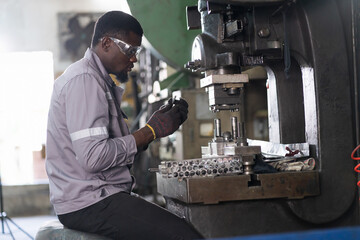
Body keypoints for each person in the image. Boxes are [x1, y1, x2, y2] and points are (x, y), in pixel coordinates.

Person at [46, 10, 203, 240]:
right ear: (107, 43)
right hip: (90, 202)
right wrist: (149, 132)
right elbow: (93, 157)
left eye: (137, 51)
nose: (134, 59)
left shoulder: (96, 80)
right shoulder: (85, 81)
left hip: (96, 197)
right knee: (183, 235)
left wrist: (153, 129)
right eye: (130, 50)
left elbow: (109, 148)